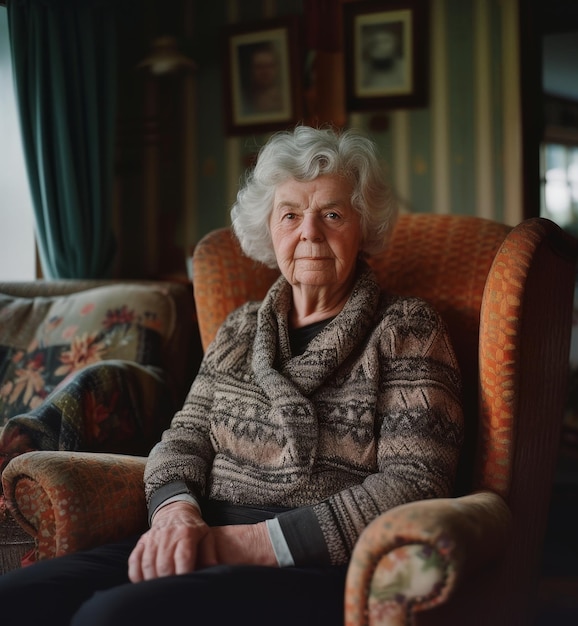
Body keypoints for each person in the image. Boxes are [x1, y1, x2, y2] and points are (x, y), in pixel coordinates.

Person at [0, 125, 464, 626]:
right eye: (290, 215)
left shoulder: (406, 329)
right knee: (19, 599)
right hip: (199, 534)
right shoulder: (241, 329)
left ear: (363, 227)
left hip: (311, 565)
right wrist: (177, 515)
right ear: (270, 230)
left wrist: (240, 544)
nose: (309, 232)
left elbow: (416, 483)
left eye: (331, 214)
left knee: (109, 618)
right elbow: (186, 438)